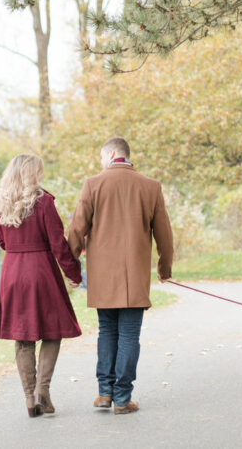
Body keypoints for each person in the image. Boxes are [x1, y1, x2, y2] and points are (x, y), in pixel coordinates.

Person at [66, 137, 174, 415]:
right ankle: (122, 397)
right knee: (128, 335)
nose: (100, 164)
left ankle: (104, 392)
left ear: (111, 154)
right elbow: (164, 234)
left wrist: (70, 265)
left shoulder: (93, 184)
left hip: (103, 277)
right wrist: (164, 268)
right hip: (135, 277)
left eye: (101, 158)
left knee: (107, 331)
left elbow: (77, 229)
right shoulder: (150, 186)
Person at [0, 154, 83, 418]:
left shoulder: (0, 205)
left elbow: (2, 242)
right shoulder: (44, 202)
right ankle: (43, 390)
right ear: (33, 173)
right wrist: (74, 273)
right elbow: (58, 244)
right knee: (52, 331)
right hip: (41, 272)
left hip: (13, 273)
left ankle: (30, 399)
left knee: (23, 337)